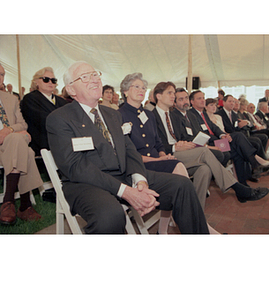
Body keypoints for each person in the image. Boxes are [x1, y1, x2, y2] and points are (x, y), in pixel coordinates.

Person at [46, 61, 211, 234]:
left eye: (95, 75)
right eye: (85, 77)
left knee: (182, 185)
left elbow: (129, 150)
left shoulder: (112, 114)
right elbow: (75, 167)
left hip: (123, 175)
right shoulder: (60, 118)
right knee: (109, 216)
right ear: (71, 90)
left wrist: (140, 180)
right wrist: (126, 191)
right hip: (86, 184)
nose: (94, 80)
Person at [152, 81, 269, 209]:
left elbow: (184, 137)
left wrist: (185, 144)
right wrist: (175, 147)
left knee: (205, 169)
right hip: (169, 155)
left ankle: (196, 214)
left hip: (186, 151)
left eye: (174, 93)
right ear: (158, 96)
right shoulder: (152, 116)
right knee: (208, 151)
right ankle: (239, 188)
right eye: (170, 93)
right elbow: (154, 145)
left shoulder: (173, 116)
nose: (173, 96)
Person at [118, 73, 194, 234]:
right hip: (138, 165)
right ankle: (194, 223)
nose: (141, 90)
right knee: (178, 168)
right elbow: (126, 153)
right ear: (125, 91)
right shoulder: (119, 115)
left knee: (176, 171)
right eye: (136, 87)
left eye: (144, 88)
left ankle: (165, 230)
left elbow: (158, 142)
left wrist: (162, 156)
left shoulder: (148, 114)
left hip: (155, 160)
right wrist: (157, 159)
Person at [188, 91, 269, 185]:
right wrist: (219, 139)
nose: (202, 100)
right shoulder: (191, 114)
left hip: (217, 140)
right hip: (210, 143)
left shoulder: (203, 113)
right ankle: (254, 160)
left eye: (203, 98)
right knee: (238, 136)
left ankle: (242, 183)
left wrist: (223, 135)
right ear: (192, 101)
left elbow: (214, 127)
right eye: (199, 98)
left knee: (238, 150)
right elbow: (201, 133)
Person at [0, 63, 42, 225]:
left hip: (11, 143)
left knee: (17, 140)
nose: (0, 77)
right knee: (28, 152)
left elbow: (23, 125)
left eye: (2, 74)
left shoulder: (11, 98)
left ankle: (8, 201)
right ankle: (24, 205)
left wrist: (8, 130)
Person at [173, 88, 231, 167]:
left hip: (201, 143)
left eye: (186, 98)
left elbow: (199, 132)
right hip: (188, 147)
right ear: (174, 103)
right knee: (219, 154)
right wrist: (208, 147)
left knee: (228, 152)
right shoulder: (174, 116)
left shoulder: (191, 115)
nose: (185, 101)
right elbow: (185, 137)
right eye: (181, 99)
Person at [20, 67, 67, 156]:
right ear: (36, 82)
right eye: (46, 79)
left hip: (64, 146)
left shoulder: (62, 101)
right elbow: (44, 121)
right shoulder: (30, 99)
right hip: (42, 147)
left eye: (53, 80)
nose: (50, 82)